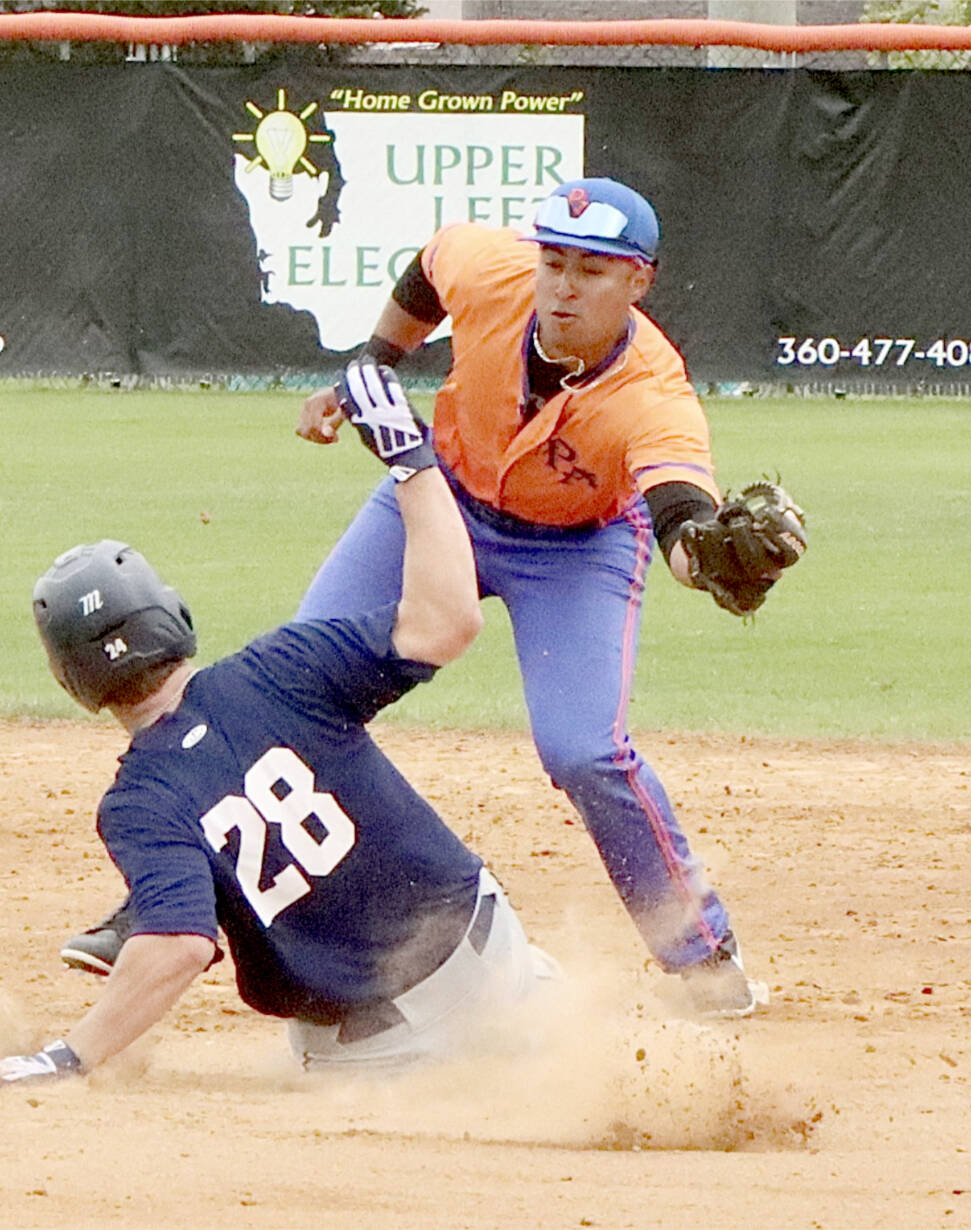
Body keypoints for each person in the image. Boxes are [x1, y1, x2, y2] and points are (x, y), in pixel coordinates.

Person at [62, 176, 805, 1019]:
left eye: (592, 271)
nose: (563, 285)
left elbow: (678, 521)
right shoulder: (491, 270)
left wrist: (709, 559)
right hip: (438, 503)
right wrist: (370, 370)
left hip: (576, 548)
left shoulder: (653, 396)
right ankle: (161, 902)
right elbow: (429, 268)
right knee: (285, 696)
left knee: (584, 751)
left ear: (639, 280)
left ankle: (703, 958)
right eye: (553, 261)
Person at [0, 361, 555, 1088]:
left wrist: (66, 1056)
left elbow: (179, 948)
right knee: (588, 1050)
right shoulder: (283, 667)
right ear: (172, 617)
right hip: (493, 959)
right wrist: (410, 460)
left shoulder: (139, 802)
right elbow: (447, 620)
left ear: (75, 682)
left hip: (378, 1058)